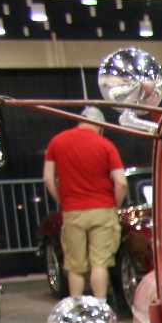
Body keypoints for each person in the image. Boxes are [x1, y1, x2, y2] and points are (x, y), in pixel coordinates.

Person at [43, 107, 127, 301]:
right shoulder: (106, 145)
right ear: (99, 125)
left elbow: (48, 179)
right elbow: (121, 182)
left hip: (73, 211)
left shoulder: (57, 142)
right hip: (103, 209)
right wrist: (114, 205)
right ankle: (100, 308)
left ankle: (77, 307)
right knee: (100, 263)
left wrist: (63, 201)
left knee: (75, 266)